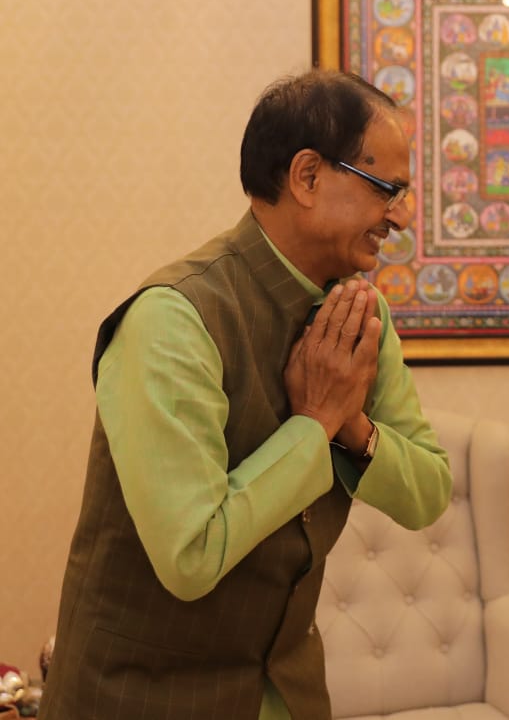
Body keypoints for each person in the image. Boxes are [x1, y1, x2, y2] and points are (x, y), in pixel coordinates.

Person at [40, 70, 453, 720]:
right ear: (308, 177)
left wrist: (353, 429)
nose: (402, 215)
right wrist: (313, 426)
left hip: (287, 691)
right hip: (142, 697)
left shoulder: (359, 314)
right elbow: (191, 556)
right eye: (388, 190)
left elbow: (429, 491)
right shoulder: (174, 319)